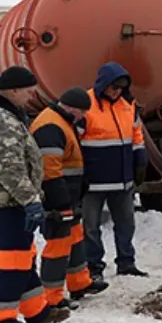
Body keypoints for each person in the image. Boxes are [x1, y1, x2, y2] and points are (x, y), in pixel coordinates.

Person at [0, 66, 72, 323]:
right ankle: (1, 321)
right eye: (28, 91)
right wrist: (30, 201)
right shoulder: (1, 120)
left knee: (23, 258)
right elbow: (9, 168)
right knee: (13, 263)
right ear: (12, 90)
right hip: (5, 203)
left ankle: (38, 311)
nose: (31, 96)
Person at [31, 87, 105, 308]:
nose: (83, 118)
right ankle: (51, 296)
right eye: (82, 113)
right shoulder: (50, 126)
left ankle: (79, 283)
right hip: (57, 197)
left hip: (68, 195)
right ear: (72, 108)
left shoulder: (61, 122)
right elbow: (49, 170)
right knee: (58, 244)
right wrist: (60, 200)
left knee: (74, 238)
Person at [81, 62, 148, 280]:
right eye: (114, 87)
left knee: (126, 223)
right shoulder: (86, 103)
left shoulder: (128, 104)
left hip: (122, 179)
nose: (117, 91)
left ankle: (126, 262)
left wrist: (140, 157)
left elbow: (136, 132)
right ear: (104, 84)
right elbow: (75, 139)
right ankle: (93, 267)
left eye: (121, 87)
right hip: (93, 180)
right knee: (91, 227)